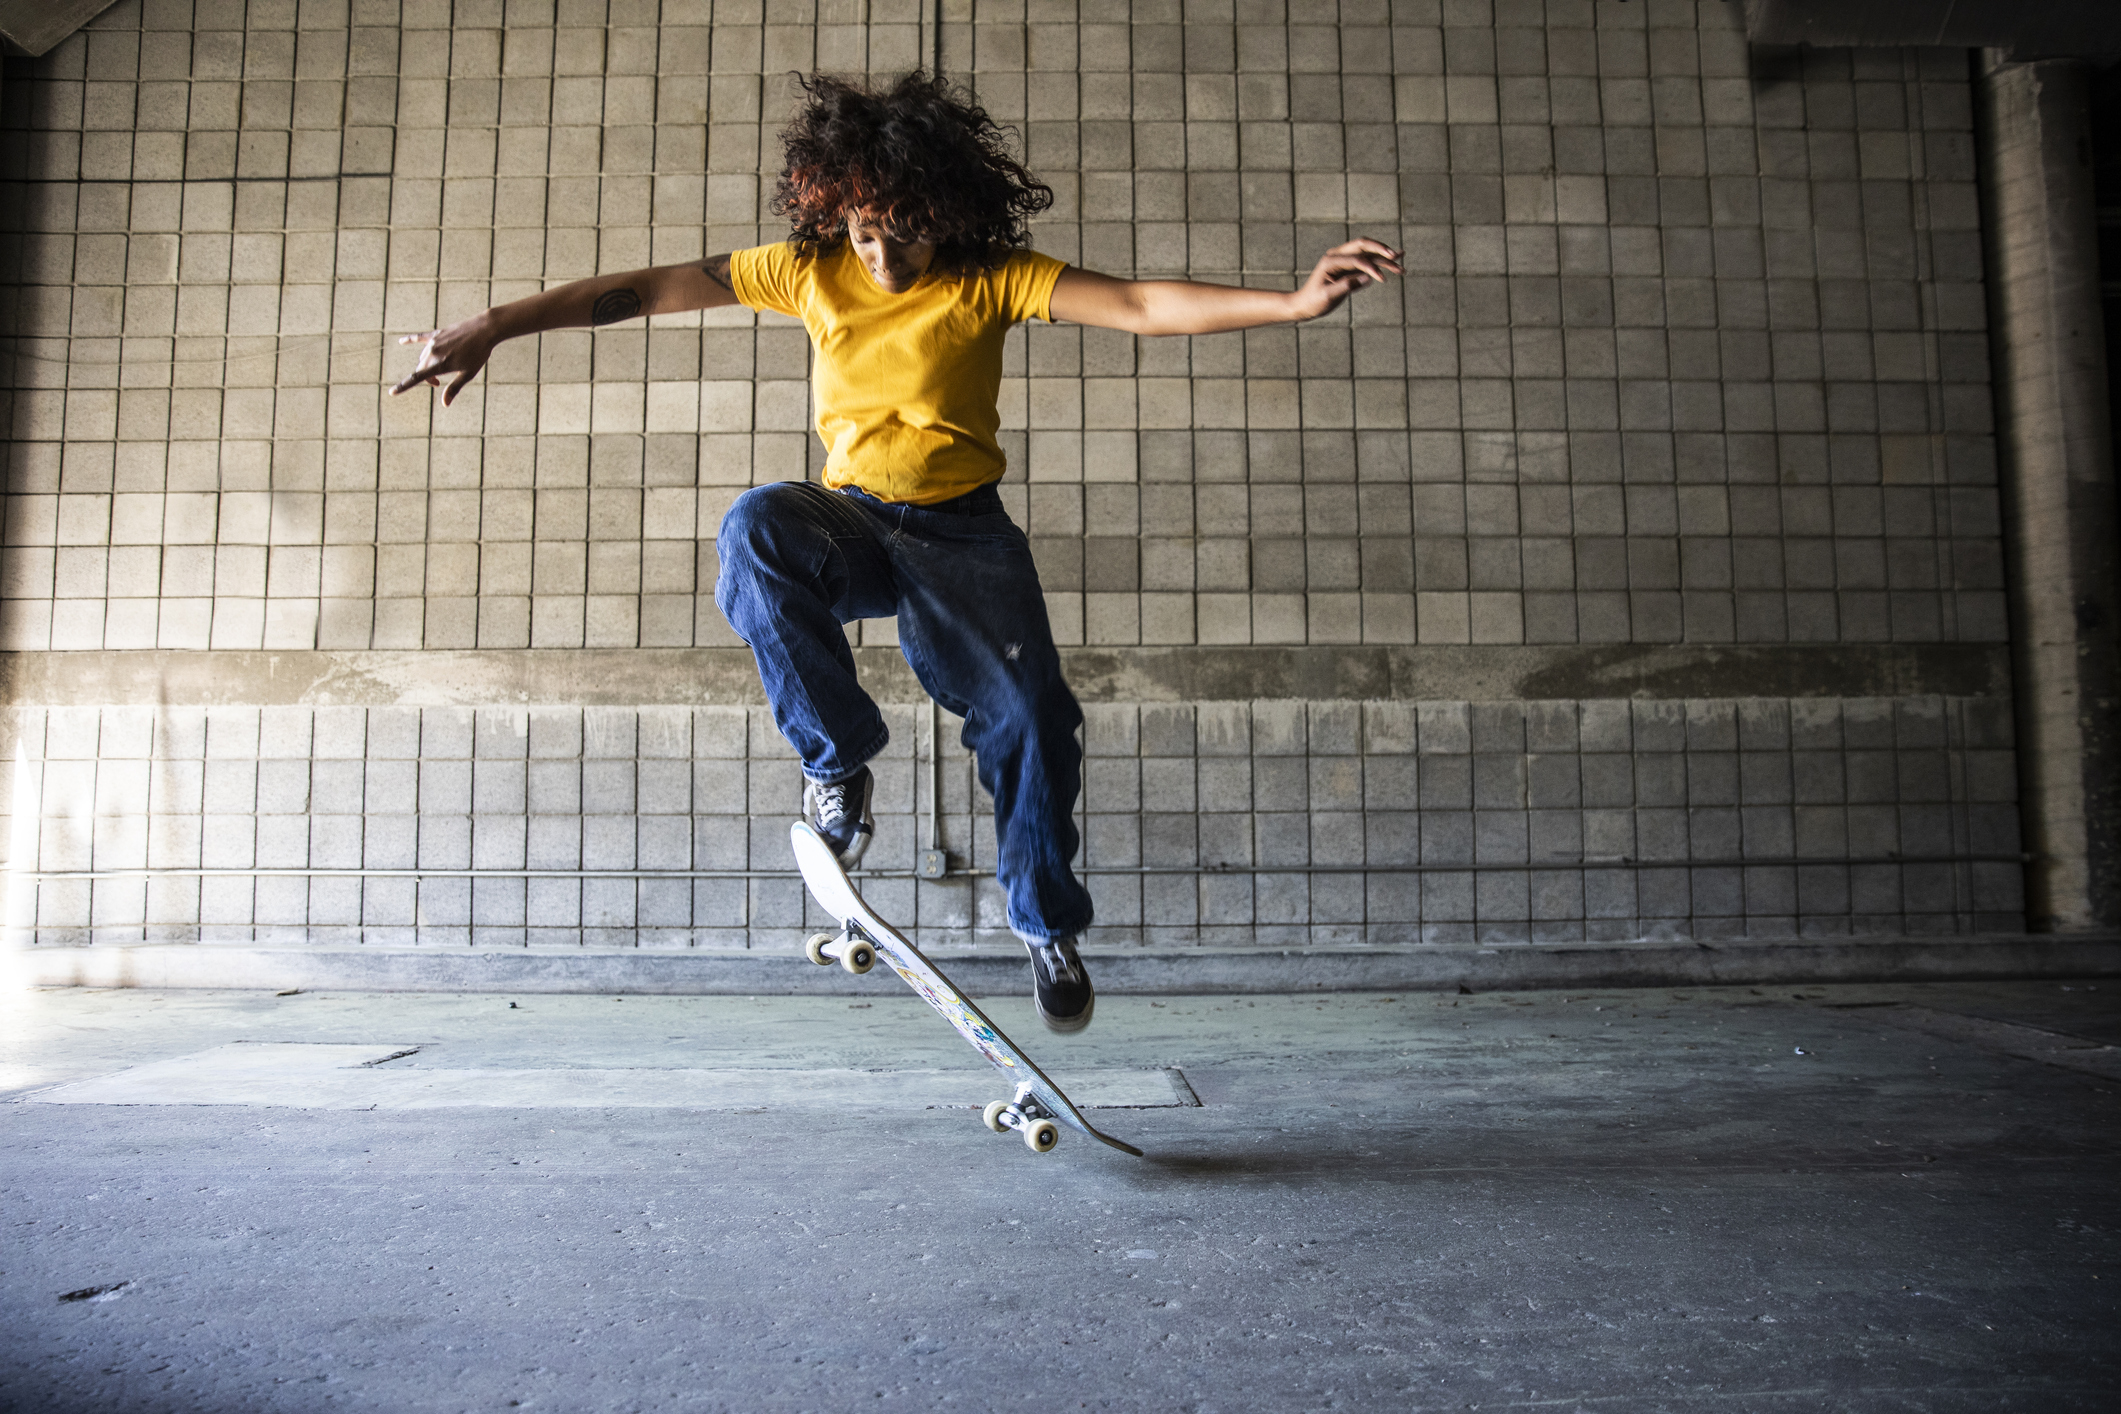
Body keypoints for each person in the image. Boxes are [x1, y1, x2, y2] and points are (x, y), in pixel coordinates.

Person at [393, 71, 1400, 1033]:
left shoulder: (991, 277)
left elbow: (1139, 306)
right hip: (855, 525)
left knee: (1034, 720)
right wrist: (497, 324)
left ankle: (1046, 925)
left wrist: (1291, 301)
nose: (883, 260)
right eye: (867, 235)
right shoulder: (805, 268)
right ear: (838, 216)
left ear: (947, 215)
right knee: (755, 526)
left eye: (906, 235)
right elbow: (646, 291)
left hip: (964, 537)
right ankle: (840, 767)